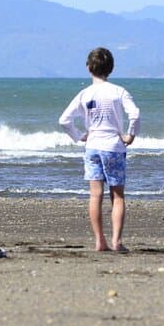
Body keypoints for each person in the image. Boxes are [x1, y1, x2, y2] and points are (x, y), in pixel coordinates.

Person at [58, 47, 141, 253]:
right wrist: (131, 134)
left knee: (95, 195)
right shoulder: (118, 91)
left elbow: (64, 120)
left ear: (88, 68)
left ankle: (99, 241)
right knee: (117, 196)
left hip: (93, 146)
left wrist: (79, 136)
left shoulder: (85, 94)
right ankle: (117, 241)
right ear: (111, 69)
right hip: (113, 146)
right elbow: (135, 115)